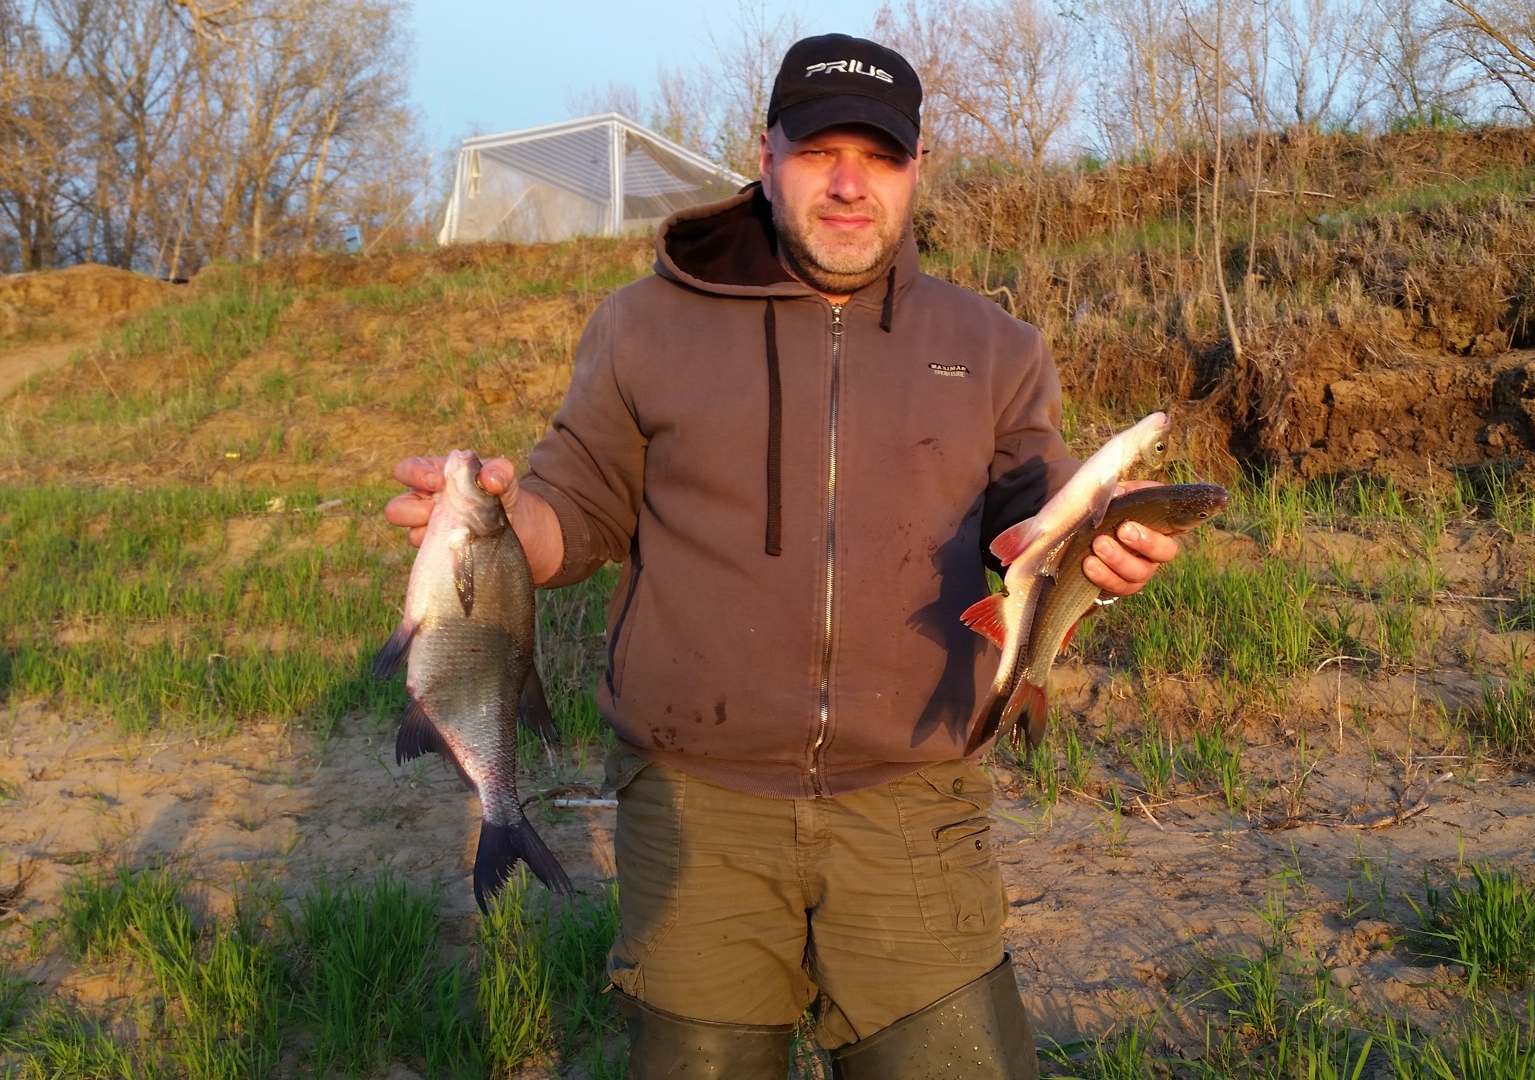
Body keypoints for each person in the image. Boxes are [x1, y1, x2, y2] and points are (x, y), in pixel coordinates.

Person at [385, 33, 1180, 1080]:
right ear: (766, 156)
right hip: (696, 807)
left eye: (880, 156)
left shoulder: (994, 347)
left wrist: (1101, 540)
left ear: (917, 168)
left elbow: (1043, 504)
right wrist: (492, 523)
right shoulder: (640, 327)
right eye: (818, 151)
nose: (850, 185)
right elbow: (571, 510)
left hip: (914, 806)